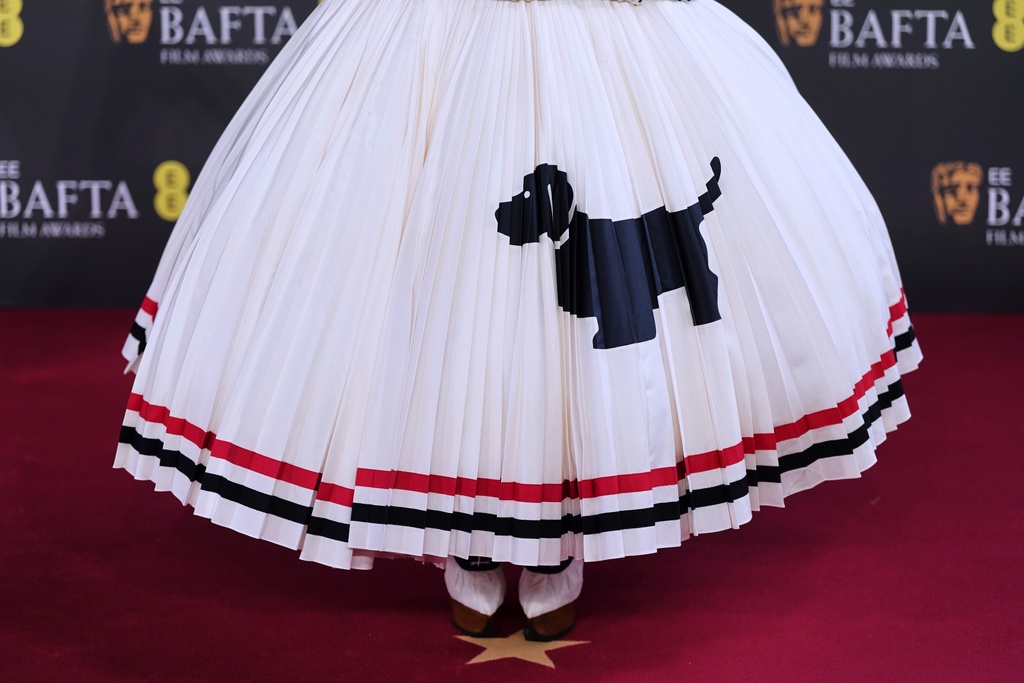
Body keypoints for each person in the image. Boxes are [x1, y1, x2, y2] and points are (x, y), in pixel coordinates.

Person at [115, 0, 921, 642]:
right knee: (441, 259)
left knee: (574, 285)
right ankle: (475, 519)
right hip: (440, 26)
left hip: (590, 28)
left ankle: (554, 526)